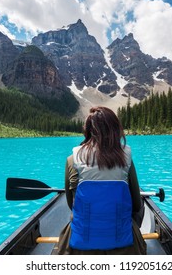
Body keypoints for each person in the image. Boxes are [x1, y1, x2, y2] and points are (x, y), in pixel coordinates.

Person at [57, 106, 146, 255]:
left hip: (81, 243)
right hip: (123, 242)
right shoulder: (125, 157)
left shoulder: (72, 159)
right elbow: (136, 205)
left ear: (87, 130)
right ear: (115, 129)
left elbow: (71, 205)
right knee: (140, 206)